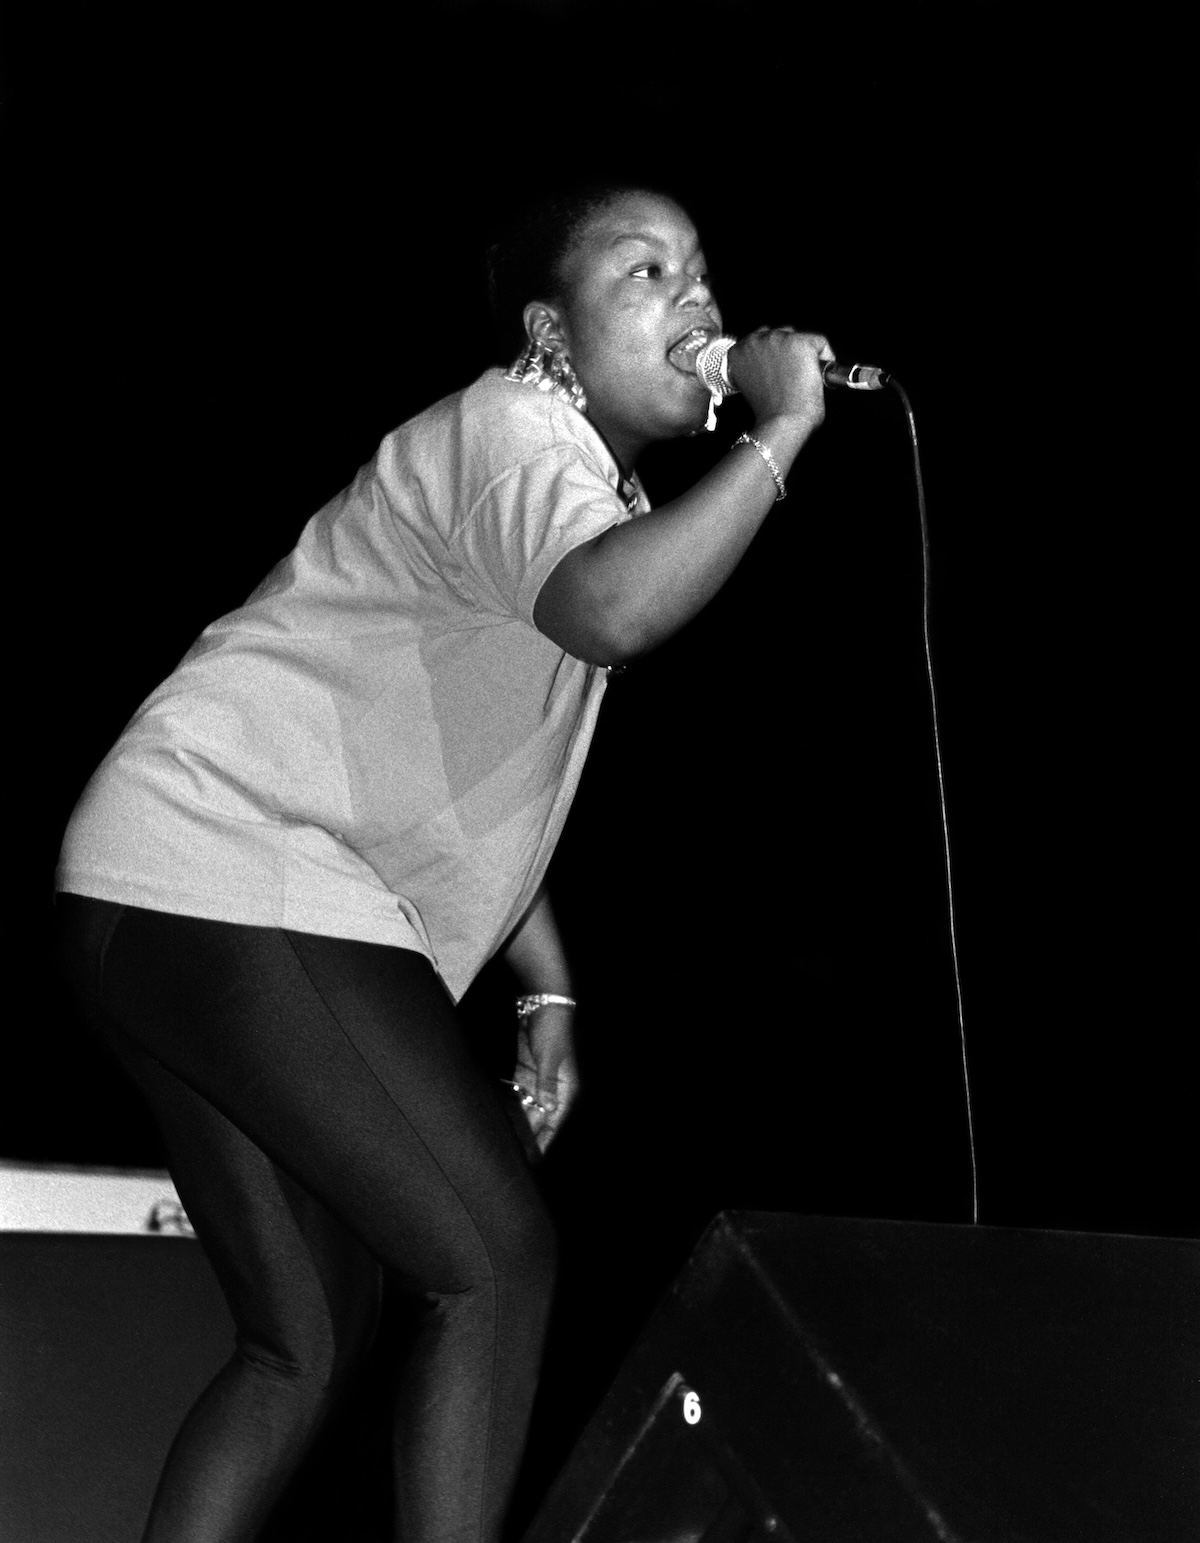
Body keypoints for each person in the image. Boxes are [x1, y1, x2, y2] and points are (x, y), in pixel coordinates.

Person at [54, 181, 833, 1543]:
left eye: (701, 268)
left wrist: (549, 991)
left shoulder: (571, 483)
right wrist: (781, 433)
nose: (698, 296)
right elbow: (613, 614)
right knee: (495, 1261)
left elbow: (460, 777)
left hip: (150, 884)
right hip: (226, 867)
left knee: (301, 1343)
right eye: (646, 272)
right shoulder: (513, 429)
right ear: (550, 329)